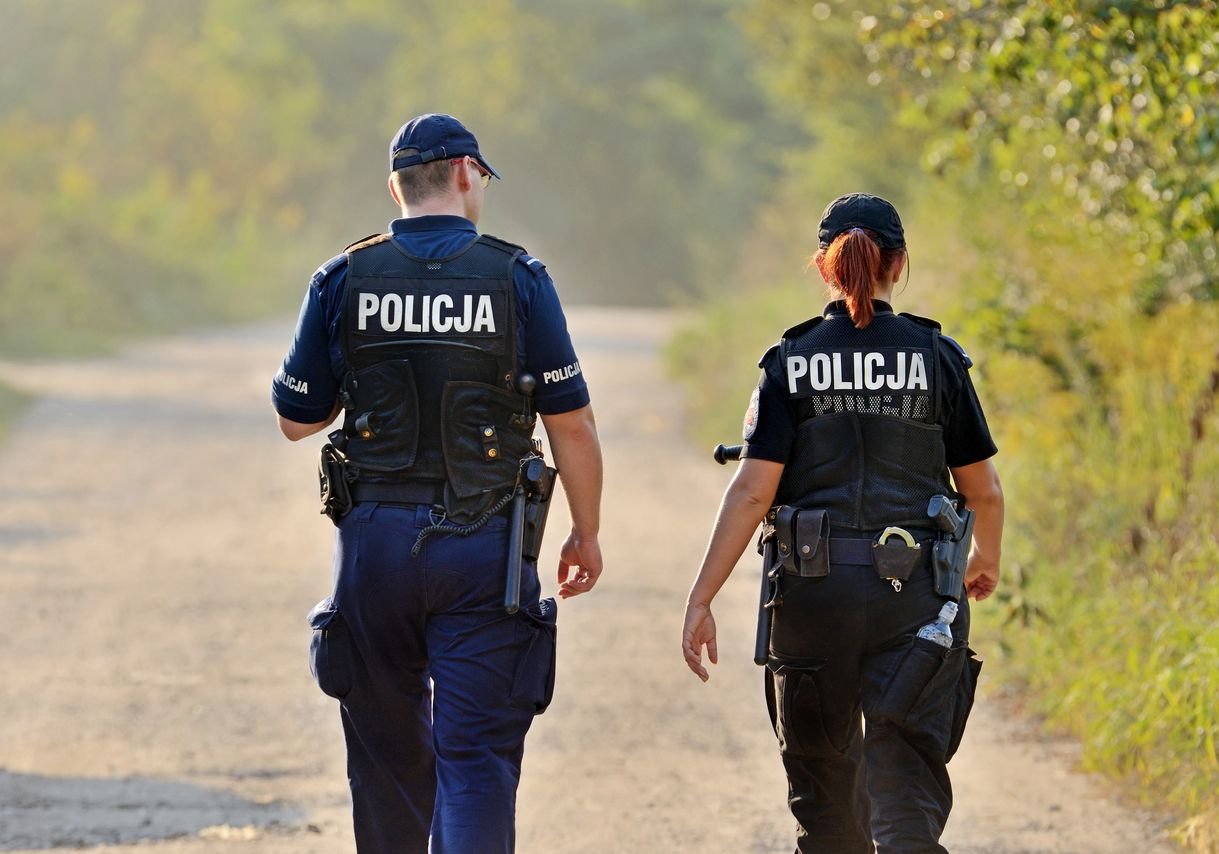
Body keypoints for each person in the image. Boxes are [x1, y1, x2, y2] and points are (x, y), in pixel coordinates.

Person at [271, 113, 604, 853]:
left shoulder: (342, 277)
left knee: (387, 761)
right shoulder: (518, 278)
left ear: (396, 186)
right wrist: (585, 531)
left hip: (374, 550)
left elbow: (298, 418)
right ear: (464, 173)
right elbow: (571, 425)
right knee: (476, 759)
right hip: (485, 546)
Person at [681, 193, 1003, 853]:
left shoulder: (789, 361)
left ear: (824, 267)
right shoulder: (938, 358)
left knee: (826, 815)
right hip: (915, 600)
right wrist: (983, 560)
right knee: (905, 803)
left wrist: (702, 596)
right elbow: (983, 491)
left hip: (811, 598)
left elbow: (751, 493)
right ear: (899, 262)